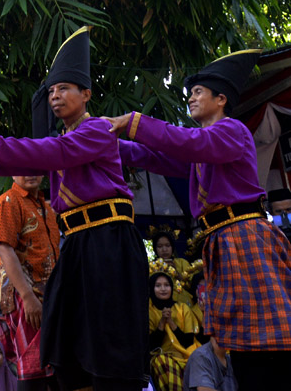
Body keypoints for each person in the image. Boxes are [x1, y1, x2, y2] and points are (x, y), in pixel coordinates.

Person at [109, 49, 291, 390]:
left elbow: (186, 141)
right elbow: (155, 156)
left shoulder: (231, 131)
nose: (191, 98)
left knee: (268, 338)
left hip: (246, 236)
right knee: (241, 341)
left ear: (220, 100)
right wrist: (107, 142)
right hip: (224, 240)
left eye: (198, 93)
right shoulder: (202, 151)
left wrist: (134, 122)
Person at [0, 27, 149, 391]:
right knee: (65, 343)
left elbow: (46, 154)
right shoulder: (64, 139)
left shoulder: (96, 131)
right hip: (77, 244)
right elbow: (38, 153)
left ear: (86, 94)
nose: (55, 97)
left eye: (64, 89)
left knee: (108, 342)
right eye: (52, 91)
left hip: (108, 241)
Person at [0, 175, 59, 391]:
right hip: (26, 296)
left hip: (51, 295)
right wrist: (27, 297)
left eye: (35, 168)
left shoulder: (48, 206)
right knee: (32, 368)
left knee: (53, 368)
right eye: (22, 168)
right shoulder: (8, 201)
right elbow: (4, 249)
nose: (30, 173)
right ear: (12, 173)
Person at [147, 267, 201, 391]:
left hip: (187, 354)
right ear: (151, 289)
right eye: (158, 285)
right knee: (162, 362)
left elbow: (188, 341)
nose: (163, 289)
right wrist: (161, 322)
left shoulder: (182, 308)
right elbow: (151, 345)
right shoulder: (148, 311)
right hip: (163, 356)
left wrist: (171, 322)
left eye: (166, 285)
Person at [150, 230, 192, 305]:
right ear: (155, 249)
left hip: (183, 304)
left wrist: (176, 273)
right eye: (160, 246)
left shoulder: (182, 262)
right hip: (158, 307)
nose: (164, 250)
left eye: (167, 245)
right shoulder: (151, 266)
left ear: (172, 247)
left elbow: (191, 285)